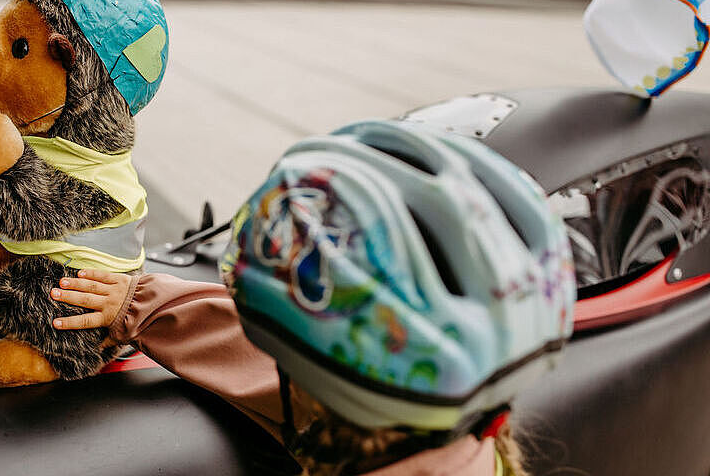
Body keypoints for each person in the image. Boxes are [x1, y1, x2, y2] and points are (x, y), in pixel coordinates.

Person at [48, 120, 576, 475]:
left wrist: (141, 304)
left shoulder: (334, 422)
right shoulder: (470, 443)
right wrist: (140, 304)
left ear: (313, 391)